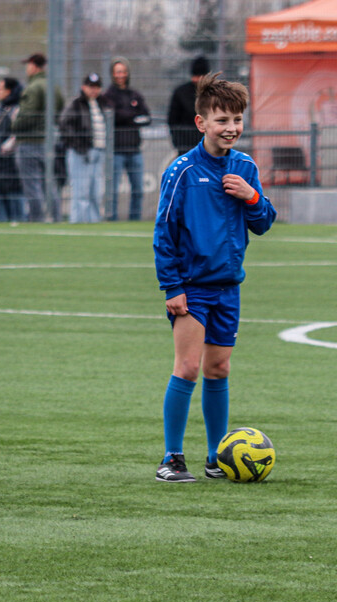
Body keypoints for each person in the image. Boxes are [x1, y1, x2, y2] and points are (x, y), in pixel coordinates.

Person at [152, 73, 277, 483]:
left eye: (238, 119)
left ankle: (216, 456)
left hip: (228, 286)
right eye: (222, 119)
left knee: (218, 369)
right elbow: (164, 232)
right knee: (187, 367)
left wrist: (251, 196)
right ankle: (171, 458)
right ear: (201, 122)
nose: (232, 128)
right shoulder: (183, 171)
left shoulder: (245, 167)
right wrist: (172, 286)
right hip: (192, 288)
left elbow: (264, 224)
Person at [12, 53, 64, 223]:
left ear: (34, 66)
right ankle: (56, 219)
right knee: (50, 184)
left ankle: (37, 220)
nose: (27, 68)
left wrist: (14, 125)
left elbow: (27, 115)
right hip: (48, 141)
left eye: (28, 64)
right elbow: (60, 106)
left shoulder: (33, 87)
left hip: (30, 141)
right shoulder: (53, 85)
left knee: (32, 186)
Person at [103, 56, 151, 221]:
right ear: (112, 73)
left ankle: (134, 220)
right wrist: (133, 116)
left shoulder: (135, 94)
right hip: (116, 150)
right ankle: (112, 220)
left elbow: (147, 117)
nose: (120, 75)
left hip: (134, 149)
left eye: (123, 71)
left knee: (138, 189)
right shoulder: (108, 95)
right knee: (113, 191)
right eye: (117, 72)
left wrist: (127, 117)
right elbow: (113, 116)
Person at [59, 73, 109, 224]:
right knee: (81, 191)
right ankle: (78, 223)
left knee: (95, 192)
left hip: (98, 152)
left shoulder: (101, 104)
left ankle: (94, 223)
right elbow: (64, 125)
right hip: (80, 153)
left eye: (97, 87)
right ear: (83, 87)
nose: (94, 90)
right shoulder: (76, 104)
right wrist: (79, 146)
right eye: (91, 87)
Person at [0, 77, 25, 223]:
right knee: (1, 192)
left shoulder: (16, 109)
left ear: (9, 91)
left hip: (10, 160)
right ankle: (3, 223)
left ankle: (19, 222)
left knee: (14, 194)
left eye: (0, 88)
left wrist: (5, 148)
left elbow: (17, 134)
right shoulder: (3, 108)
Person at [168, 55, 211, 157]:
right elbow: (173, 120)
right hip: (186, 145)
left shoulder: (212, 92)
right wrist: (179, 143)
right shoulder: (181, 92)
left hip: (208, 144)